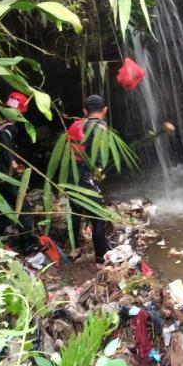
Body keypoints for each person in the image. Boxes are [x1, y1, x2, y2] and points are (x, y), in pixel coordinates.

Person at [67, 94, 111, 264]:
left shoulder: (75, 125)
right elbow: (100, 156)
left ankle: (74, 249)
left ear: (85, 111)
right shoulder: (101, 127)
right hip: (84, 175)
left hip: (69, 173)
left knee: (75, 211)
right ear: (105, 110)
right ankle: (101, 256)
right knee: (98, 215)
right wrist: (99, 169)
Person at [0, 92, 37, 253]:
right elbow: (4, 140)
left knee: (4, 207)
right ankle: (28, 243)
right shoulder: (8, 126)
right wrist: (12, 161)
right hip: (4, 174)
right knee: (22, 206)